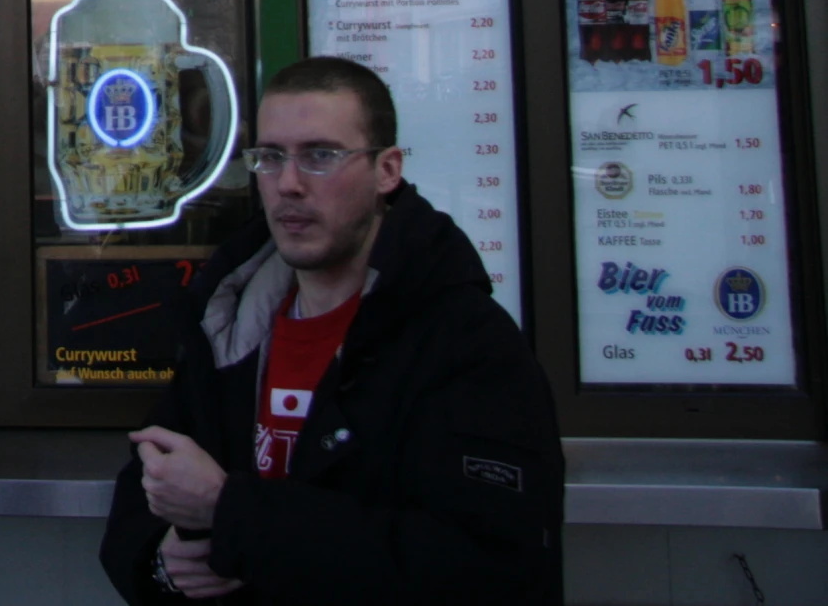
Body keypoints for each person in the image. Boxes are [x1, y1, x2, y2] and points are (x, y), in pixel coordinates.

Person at [101, 56, 564, 604]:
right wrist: (162, 568)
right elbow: (141, 506)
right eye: (271, 158)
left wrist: (236, 517)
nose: (288, 185)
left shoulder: (464, 342)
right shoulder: (226, 324)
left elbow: (486, 569)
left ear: (386, 171)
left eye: (320, 156)